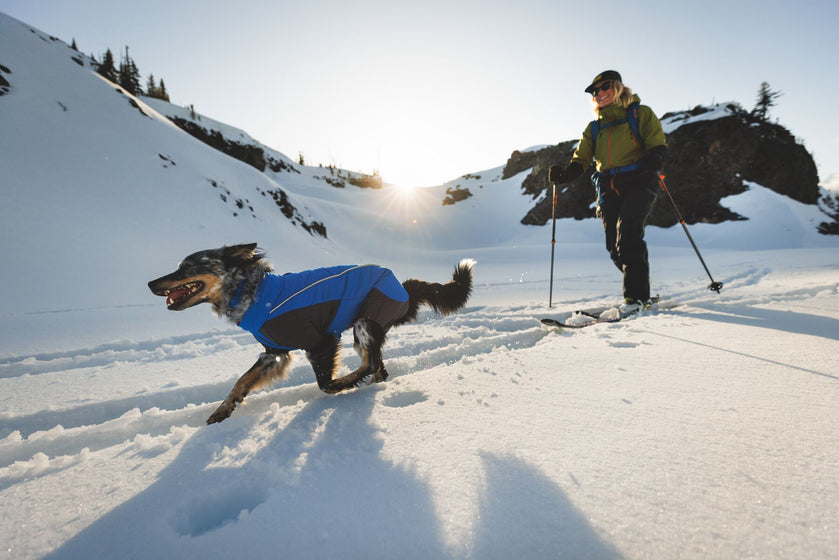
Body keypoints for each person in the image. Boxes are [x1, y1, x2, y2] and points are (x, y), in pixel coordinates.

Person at [549, 70, 667, 313]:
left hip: (638, 182)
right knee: (614, 248)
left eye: (605, 87)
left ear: (618, 87)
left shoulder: (640, 114)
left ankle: (636, 298)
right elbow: (580, 159)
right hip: (607, 187)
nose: (600, 93)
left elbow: (657, 144)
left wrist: (653, 159)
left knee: (628, 235)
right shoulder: (594, 128)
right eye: (595, 91)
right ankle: (639, 282)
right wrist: (565, 174)